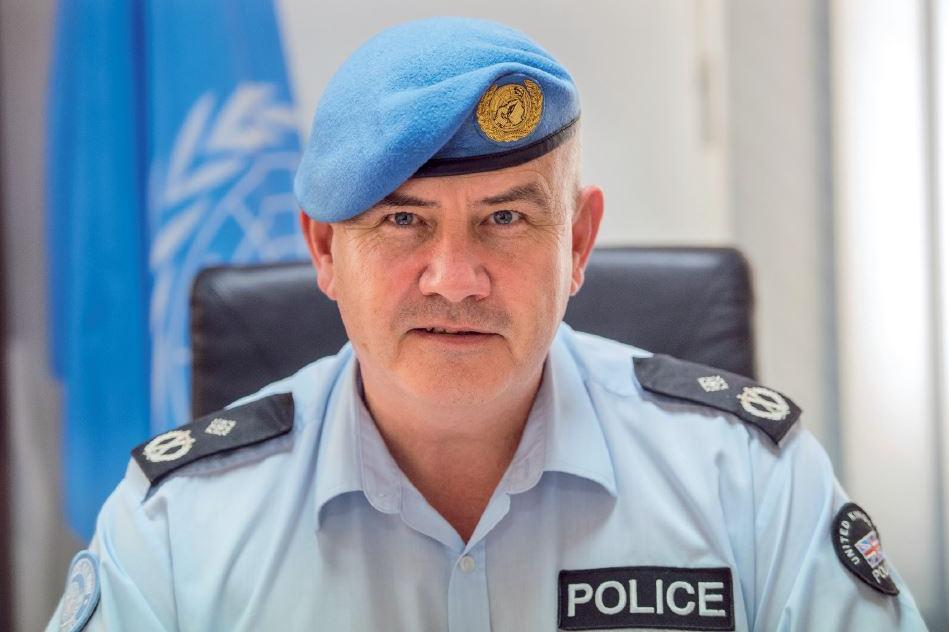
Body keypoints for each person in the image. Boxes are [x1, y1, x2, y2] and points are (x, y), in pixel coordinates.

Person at [48, 16, 927, 632]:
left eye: (505, 218)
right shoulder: (181, 527)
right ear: (323, 249)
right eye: (402, 221)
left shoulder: (750, 482)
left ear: (576, 241)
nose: (455, 279)